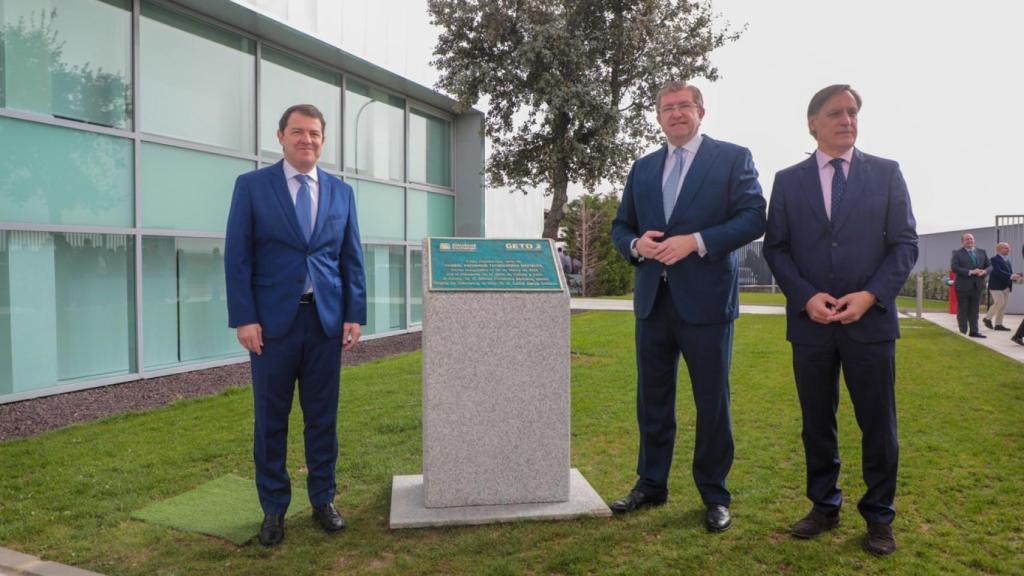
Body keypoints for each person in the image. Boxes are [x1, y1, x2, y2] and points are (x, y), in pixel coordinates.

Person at [763, 84, 918, 556]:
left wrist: (871, 295)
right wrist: (806, 296)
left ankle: (878, 517)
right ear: (812, 122)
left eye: (853, 112)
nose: (847, 120)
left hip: (869, 324)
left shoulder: (887, 173)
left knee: (878, 423)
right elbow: (776, 248)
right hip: (811, 325)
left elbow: (905, 244)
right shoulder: (788, 181)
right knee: (817, 422)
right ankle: (824, 506)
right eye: (836, 113)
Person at [610, 80, 766, 532]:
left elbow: (755, 216)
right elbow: (621, 227)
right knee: (653, 401)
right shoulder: (642, 168)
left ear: (701, 111)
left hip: (707, 303)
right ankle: (651, 484)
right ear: (658, 117)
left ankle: (714, 494)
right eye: (667, 108)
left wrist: (696, 242)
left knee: (711, 402)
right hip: (652, 302)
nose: (676, 113)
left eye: (684, 106)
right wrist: (637, 244)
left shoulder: (732, 158)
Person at [225, 104, 366, 547]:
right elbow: (237, 256)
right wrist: (244, 317)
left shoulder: (342, 193)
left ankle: (323, 499)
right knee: (271, 420)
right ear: (281, 136)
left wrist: (353, 313)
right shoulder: (251, 187)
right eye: (298, 132)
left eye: (315, 133)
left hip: (325, 322)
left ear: (323, 140)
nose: (307, 140)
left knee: (322, 418)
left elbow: (350, 259)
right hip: (271, 326)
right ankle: (273, 510)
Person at [950, 233, 991, 338]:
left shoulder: (982, 252)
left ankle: (974, 331)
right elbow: (954, 267)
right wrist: (970, 272)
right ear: (962, 241)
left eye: (971, 239)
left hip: (977, 285)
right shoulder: (957, 253)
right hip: (963, 286)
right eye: (967, 239)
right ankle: (963, 333)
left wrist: (984, 271)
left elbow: (990, 266)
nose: (970, 240)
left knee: (974, 310)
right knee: (963, 310)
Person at [983, 242, 1020, 331]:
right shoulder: (994, 259)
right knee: (999, 303)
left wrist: (1014, 276)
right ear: (999, 249)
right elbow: (997, 271)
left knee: (1003, 306)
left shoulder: (1007, 260)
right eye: (1006, 248)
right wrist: (1011, 276)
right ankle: (987, 318)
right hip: (996, 286)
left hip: (1006, 286)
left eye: (1008, 248)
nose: (1008, 250)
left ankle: (998, 324)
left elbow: (1009, 273)